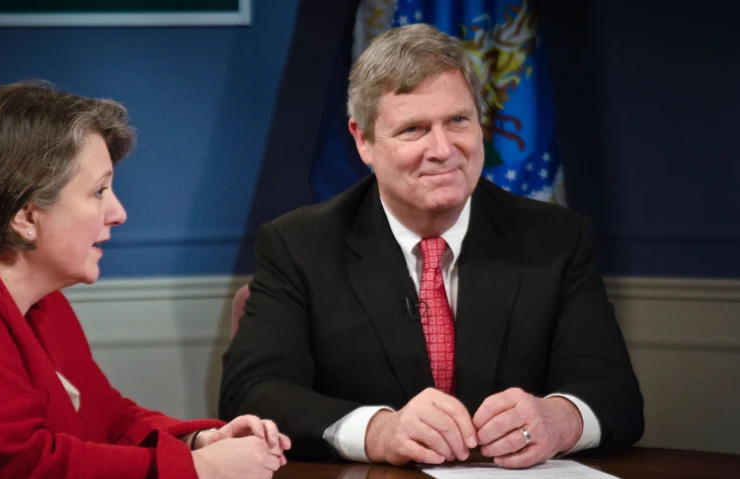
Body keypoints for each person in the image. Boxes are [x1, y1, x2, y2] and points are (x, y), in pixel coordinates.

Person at [219, 24, 643, 469]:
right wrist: (379, 431)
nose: (442, 149)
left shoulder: (556, 239)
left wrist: (560, 419)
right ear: (363, 140)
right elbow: (251, 393)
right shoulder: (299, 246)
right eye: (414, 129)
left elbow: (616, 397)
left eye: (458, 120)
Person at [0, 81, 290, 479]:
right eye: (99, 191)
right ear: (25, 216)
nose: (118, 212)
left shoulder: (26, 278)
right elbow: (20, 468)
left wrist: (201, 441)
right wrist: (196, 471)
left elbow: (106, 419)